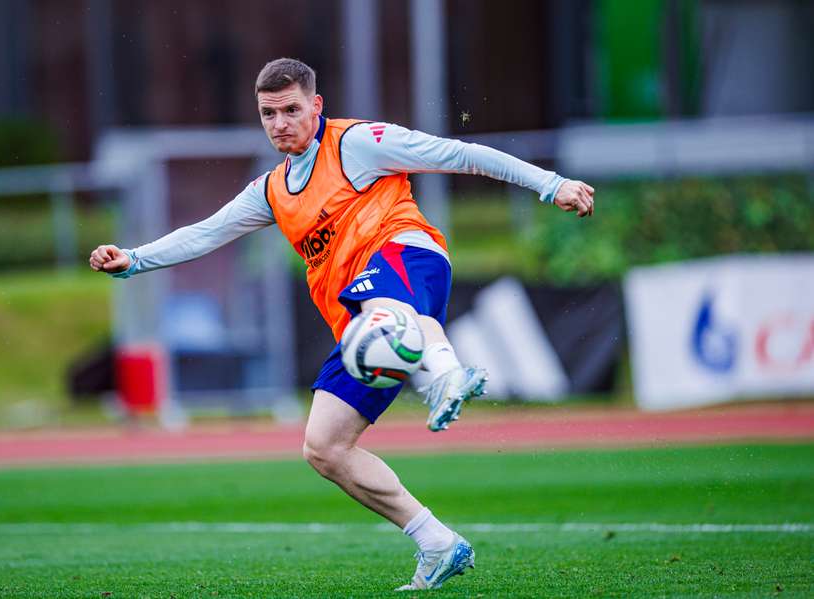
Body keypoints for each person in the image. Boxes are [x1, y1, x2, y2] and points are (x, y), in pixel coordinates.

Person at [89, 58, 594, 591]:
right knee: (324, 447)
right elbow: (206, 231)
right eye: (268, 113)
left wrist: (550, 184)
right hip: (360, 320)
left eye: (291, 109)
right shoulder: (272, 190)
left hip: (407, 255)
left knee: (384, 309)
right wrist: (135, 258)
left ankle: (444, 372)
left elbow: (460, 155)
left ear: (317, 106)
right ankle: (436, 541)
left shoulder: (359, 142)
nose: (280, 122)